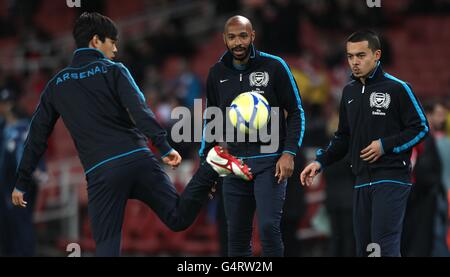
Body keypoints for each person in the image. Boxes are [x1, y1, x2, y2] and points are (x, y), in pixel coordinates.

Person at [11, 12, 252, 257]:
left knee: (107, 248)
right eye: (112, 42)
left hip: (101, 172)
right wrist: (164, 146)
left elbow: (36, 137)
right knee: (177, 218)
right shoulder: (115, 70)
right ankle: (211, 165)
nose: (115, 49)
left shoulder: (55, 85)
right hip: (137, 159)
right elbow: (140, 110)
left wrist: (21, 181)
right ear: (96, 41)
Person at [300, 30, 429, 257]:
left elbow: (421, 128)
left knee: (383, 246)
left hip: (391, 177)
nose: (355, 62)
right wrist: (321, 161)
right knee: (365, 249)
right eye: (350, 56)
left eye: (361, 55)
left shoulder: (397, 88)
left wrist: (385, 145)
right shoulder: (349, 91)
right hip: (360, 180)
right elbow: (343, 137)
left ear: (377, 54)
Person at [200, 15, 305, 257]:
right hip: (234, 164)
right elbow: (211, 120)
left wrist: (289, 153)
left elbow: (297, 112)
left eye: (243, 36)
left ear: (253, 36)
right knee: (236, 235)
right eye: (232, 37)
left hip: (270, 161)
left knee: (268, 228)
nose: (238, 42)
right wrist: (207, 165)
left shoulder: (275, 66)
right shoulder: (216, 73)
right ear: (224, 39)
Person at [0, 88, 46, 256]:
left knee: (21, 225)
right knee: (8, 229)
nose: (5, 107)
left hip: (19, 184)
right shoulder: (4, 127)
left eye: (7, 104)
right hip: (6, 183)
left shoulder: (23, 128)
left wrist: (37, 171)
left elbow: (29, 153)